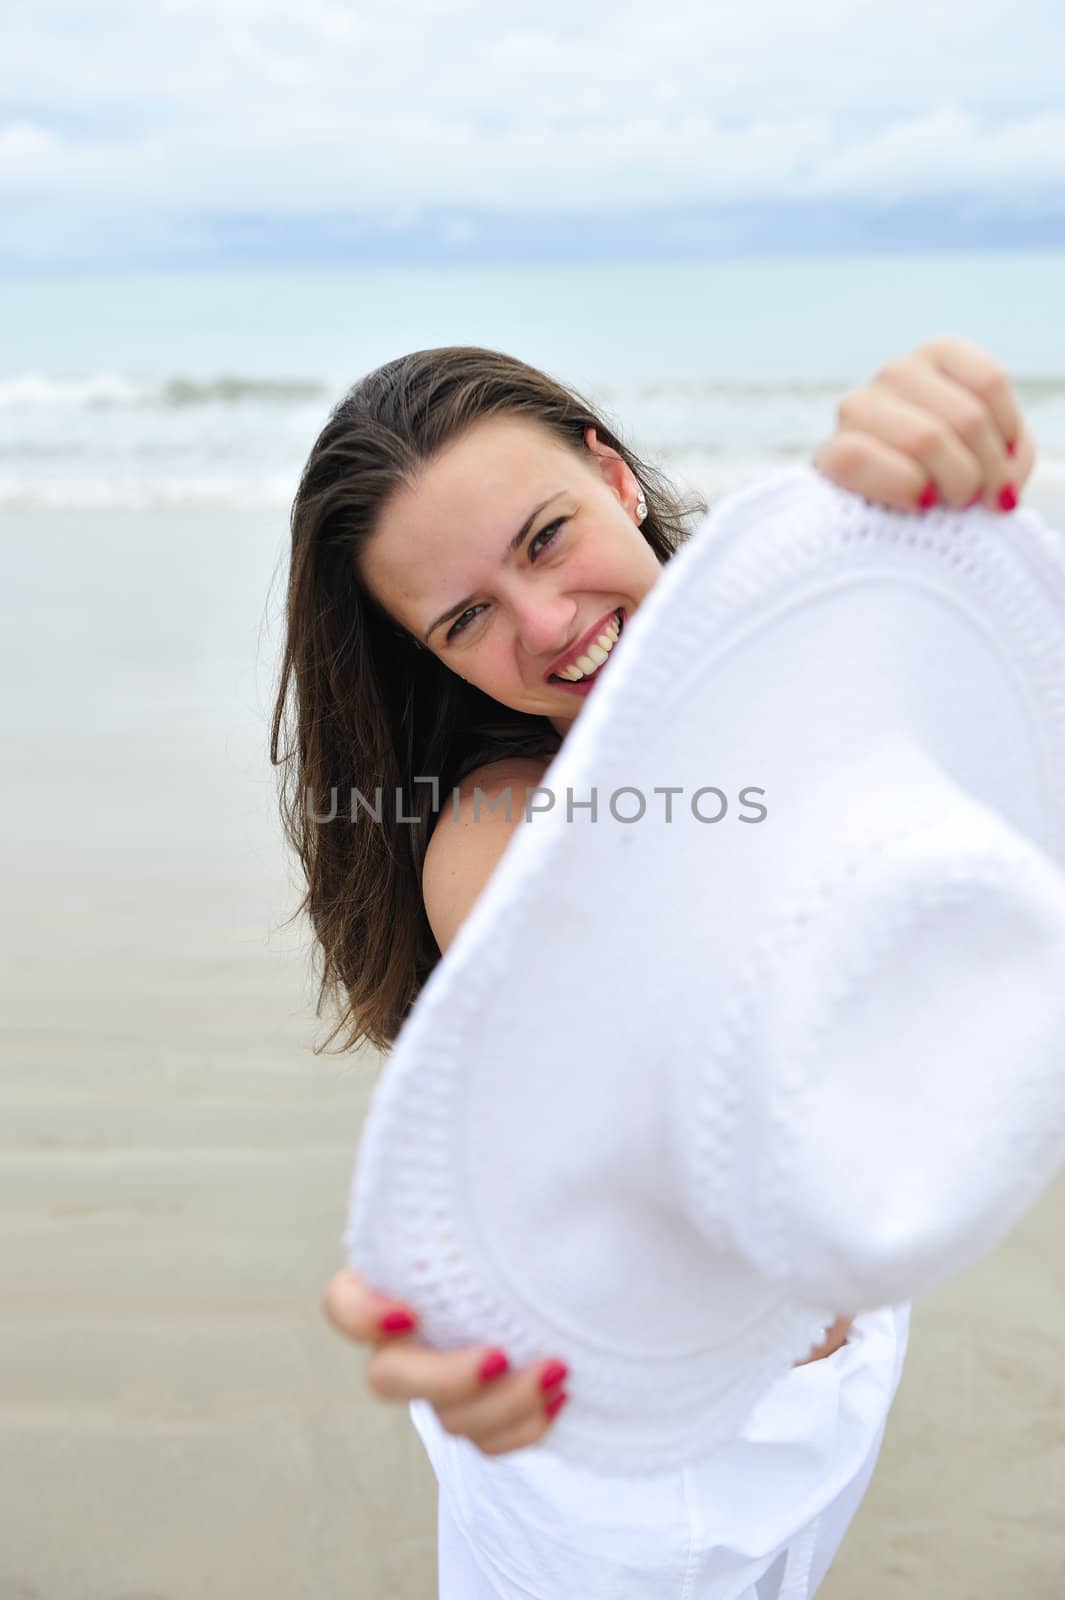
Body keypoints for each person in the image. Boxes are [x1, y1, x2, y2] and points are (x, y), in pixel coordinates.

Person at [271, 336, 1033, 1594]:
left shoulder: (809, 655)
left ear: (612, 474)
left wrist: (946, 515)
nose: (549, 624)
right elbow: (671, 1079)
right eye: (467, 617)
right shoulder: (494, 829)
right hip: (623, 1467)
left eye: (544, 538)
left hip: (824, 1365)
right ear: (430, 656)